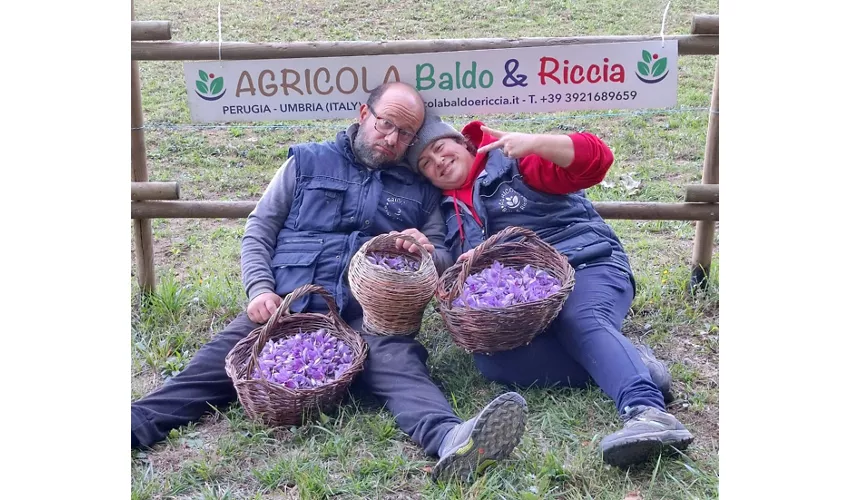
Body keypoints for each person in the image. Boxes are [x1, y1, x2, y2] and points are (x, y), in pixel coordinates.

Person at [131, 83, 528, 482]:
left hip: (367, 319)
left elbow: (442, 256)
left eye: (405, 134)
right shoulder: (306, 161)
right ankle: (134, 425)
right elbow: (259, 229)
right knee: (206, 370)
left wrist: (424, 252)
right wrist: (260, 290)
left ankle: (451, 440)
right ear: (363, 115)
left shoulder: (419, 190)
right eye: (385, 124)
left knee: (400, 365)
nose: (392, 140)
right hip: (286, 308)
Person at [404, 111, 693, 468]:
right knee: (493, 362)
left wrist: (537, 143)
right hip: (528, 303)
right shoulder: (447, 210)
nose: (438, 161)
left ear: (463, 143)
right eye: (425, 163)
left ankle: (646, 409)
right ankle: (636, 364)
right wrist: (427, 253)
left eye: (440, 147)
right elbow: (454, 266)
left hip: (587, 264)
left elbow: (596, 159)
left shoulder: (514, 162)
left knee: (579, 318)